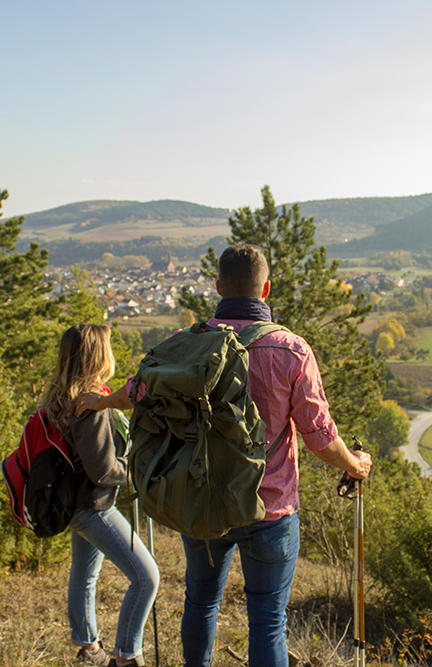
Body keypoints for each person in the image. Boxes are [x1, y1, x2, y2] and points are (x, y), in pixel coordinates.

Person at [77, 244, 372, 667]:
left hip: (201, 500)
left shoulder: (185, 343)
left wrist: (100, 403)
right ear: (266, 289)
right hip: (270, 510)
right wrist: (355, 465)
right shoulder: (291, 350)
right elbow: (319, 438)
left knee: (200, 602)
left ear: (217, 287)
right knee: (268, 621)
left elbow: (138, 391)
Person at [43, 323, 159, 667]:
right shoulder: (89, 404)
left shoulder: (60, 395)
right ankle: (126, 655)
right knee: (146, 577)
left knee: (85, 573)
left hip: (74, 502)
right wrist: (138, 466)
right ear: (97, 356)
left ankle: (88, 646)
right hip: (92, 506)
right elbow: (104, 471)